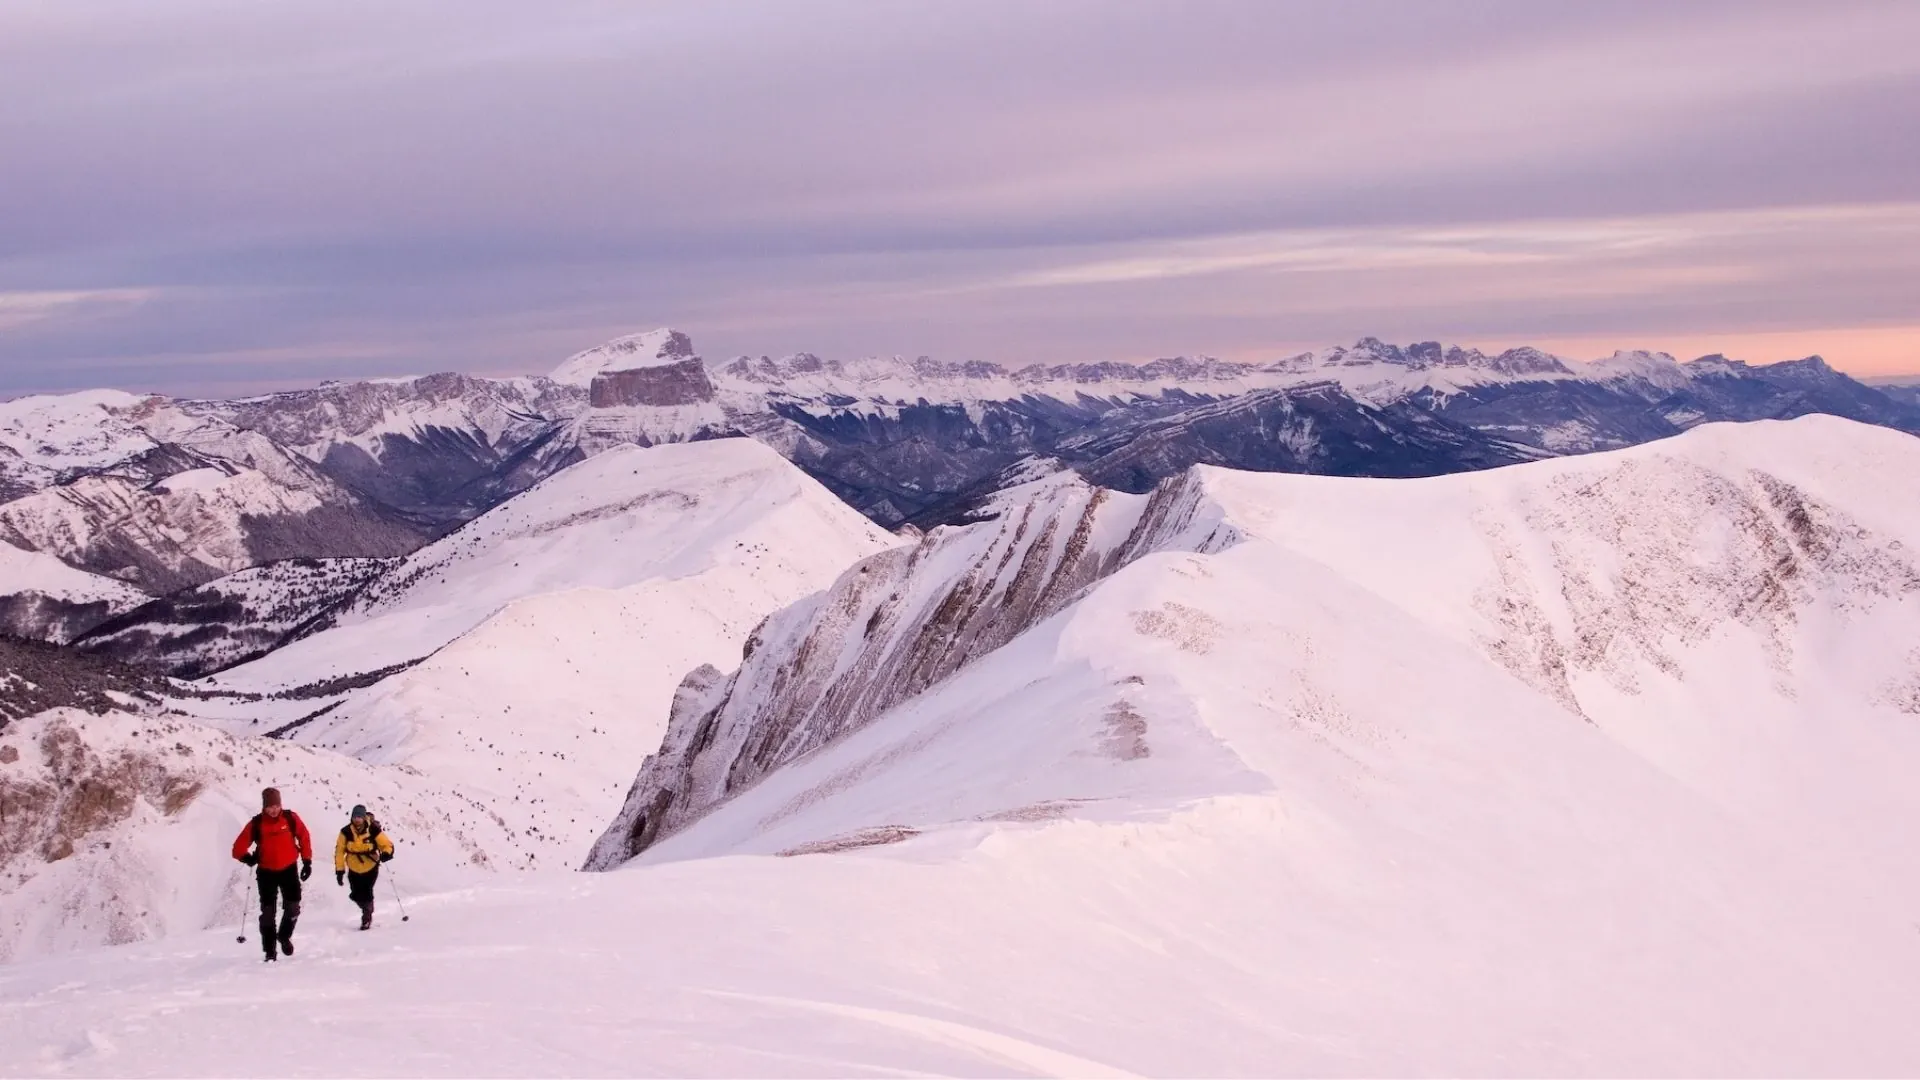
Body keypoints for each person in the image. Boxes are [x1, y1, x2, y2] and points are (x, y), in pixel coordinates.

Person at [230, 787, 313, 962]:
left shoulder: (290, 818)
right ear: (264, 807)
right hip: (266, 872)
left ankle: (284, 936)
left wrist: (307, 861)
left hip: (289, 869)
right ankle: (270, 952)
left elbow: (304, 836)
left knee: (293, 907)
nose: (274, 810)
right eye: (270, 807)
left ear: (280, 804)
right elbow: (237, 848)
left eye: (276, 806)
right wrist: (247, 858)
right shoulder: (257, 823)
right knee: (268, 913)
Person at [333, 804, 395, 930]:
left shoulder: (373, 830)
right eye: (355, 817)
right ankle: (368, 907)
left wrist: (387, 853)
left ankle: (366, 917)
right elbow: (339, 851)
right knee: (355, 894)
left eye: (359, 817)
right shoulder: (346, 832)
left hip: (370, 867)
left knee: (366, 892)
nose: (357, 819)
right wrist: (340, 870)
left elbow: (386, 844)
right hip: (353, 868)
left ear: (364, 817)